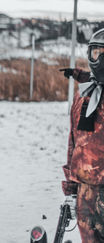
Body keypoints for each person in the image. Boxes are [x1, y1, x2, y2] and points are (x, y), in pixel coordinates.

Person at [62, 28, 104, 243]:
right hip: (85, 195)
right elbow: (73, 144)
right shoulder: (83, 97)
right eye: (97, 53)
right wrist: (70, 189)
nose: (101, 59)